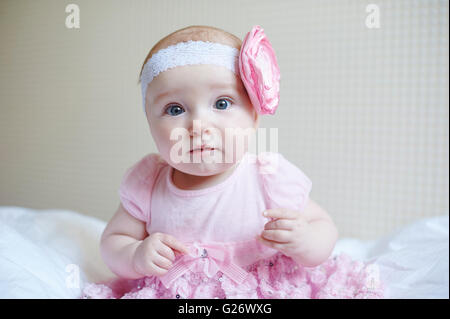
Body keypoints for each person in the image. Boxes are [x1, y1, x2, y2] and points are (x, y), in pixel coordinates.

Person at [81, 25, 384, 299]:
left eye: (222, 103)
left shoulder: (268, 178)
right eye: (175, 109)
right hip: (178, 292)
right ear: (150, 123)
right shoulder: (148, 184)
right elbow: (113, 242)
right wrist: (135, 255)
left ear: (253, 118)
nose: (198, 125)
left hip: (262, 288)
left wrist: (305, 240)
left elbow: (323, 226)